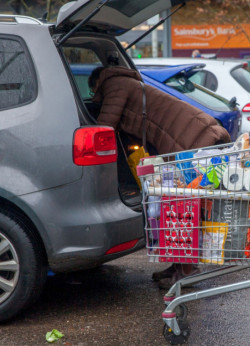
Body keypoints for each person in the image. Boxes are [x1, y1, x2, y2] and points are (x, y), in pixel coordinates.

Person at [88, 66, 231, 288]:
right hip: (191, 135)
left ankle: (187, 268)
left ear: (96, 83)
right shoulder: (125, 82)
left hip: (193, 139)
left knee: (183, 207)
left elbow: (105, 124)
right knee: (175, 206)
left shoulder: (114, 85)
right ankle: (178, 265)